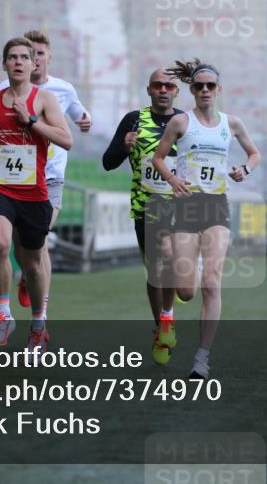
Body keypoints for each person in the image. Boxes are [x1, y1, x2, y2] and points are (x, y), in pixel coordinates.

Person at [152, 59, 261, 379]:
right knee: (186, 291)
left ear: (218, 90)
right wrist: (173, 180)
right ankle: (168, 311)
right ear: (192, 90)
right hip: (186, 208)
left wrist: (245, 170)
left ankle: (202, 358)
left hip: (216, 206)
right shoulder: (180, 123)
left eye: (209, 86)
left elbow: (254, 154)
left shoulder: (232, 123)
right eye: (198, 86)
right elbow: (159, 158)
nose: (204, 91)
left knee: (212, 283)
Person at [0, 37, 73, 351]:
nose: (18, 62)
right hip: (0, 187)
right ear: (4, 64)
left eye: (24, 57)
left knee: (32, 264)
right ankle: (3, 315)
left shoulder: (45, 100)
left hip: (33, 192)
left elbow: (66, 139)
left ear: (35, 64)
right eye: (12, 57)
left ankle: (37, 325)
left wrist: (30, 120)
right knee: (1, 243)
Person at [0, 30, 91, 316]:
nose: (33, 59)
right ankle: (27, 274)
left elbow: (79, 116)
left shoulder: (63, 90)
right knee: (18, 244)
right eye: (28, 54)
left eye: (38, 53)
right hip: (16, 177)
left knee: (40, 240)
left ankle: (42, 307)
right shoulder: (4, 88)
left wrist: (84, 122)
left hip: (50, 176)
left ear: (49, 57)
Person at [102, 68, 183, 364]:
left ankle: (167, 317)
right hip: (146, 206)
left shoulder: (186, 122)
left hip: (181, 206)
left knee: (177, 276)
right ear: (149, 90)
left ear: (176, 91)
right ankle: (163, 324)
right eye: (157, 85)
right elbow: (107, 162)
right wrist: (124, 147)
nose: (163, 89)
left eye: (169, 86)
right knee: (156, 271)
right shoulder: (134, 120)